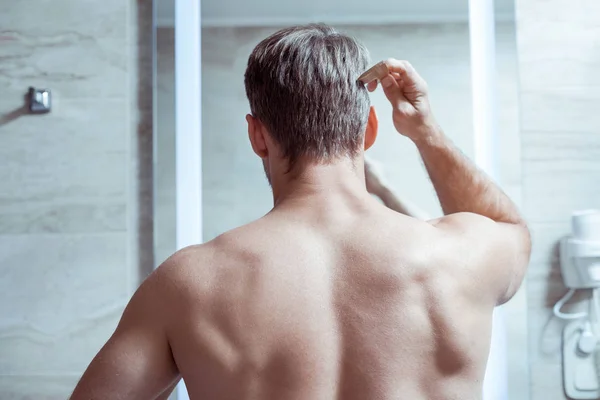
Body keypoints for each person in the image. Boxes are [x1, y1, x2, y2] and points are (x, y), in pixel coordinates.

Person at [70, 24, 531, 400]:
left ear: (258, 136)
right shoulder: (461, 253)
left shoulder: (189, 282)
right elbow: (510, 228)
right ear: (368, 129)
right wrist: (426, 132)